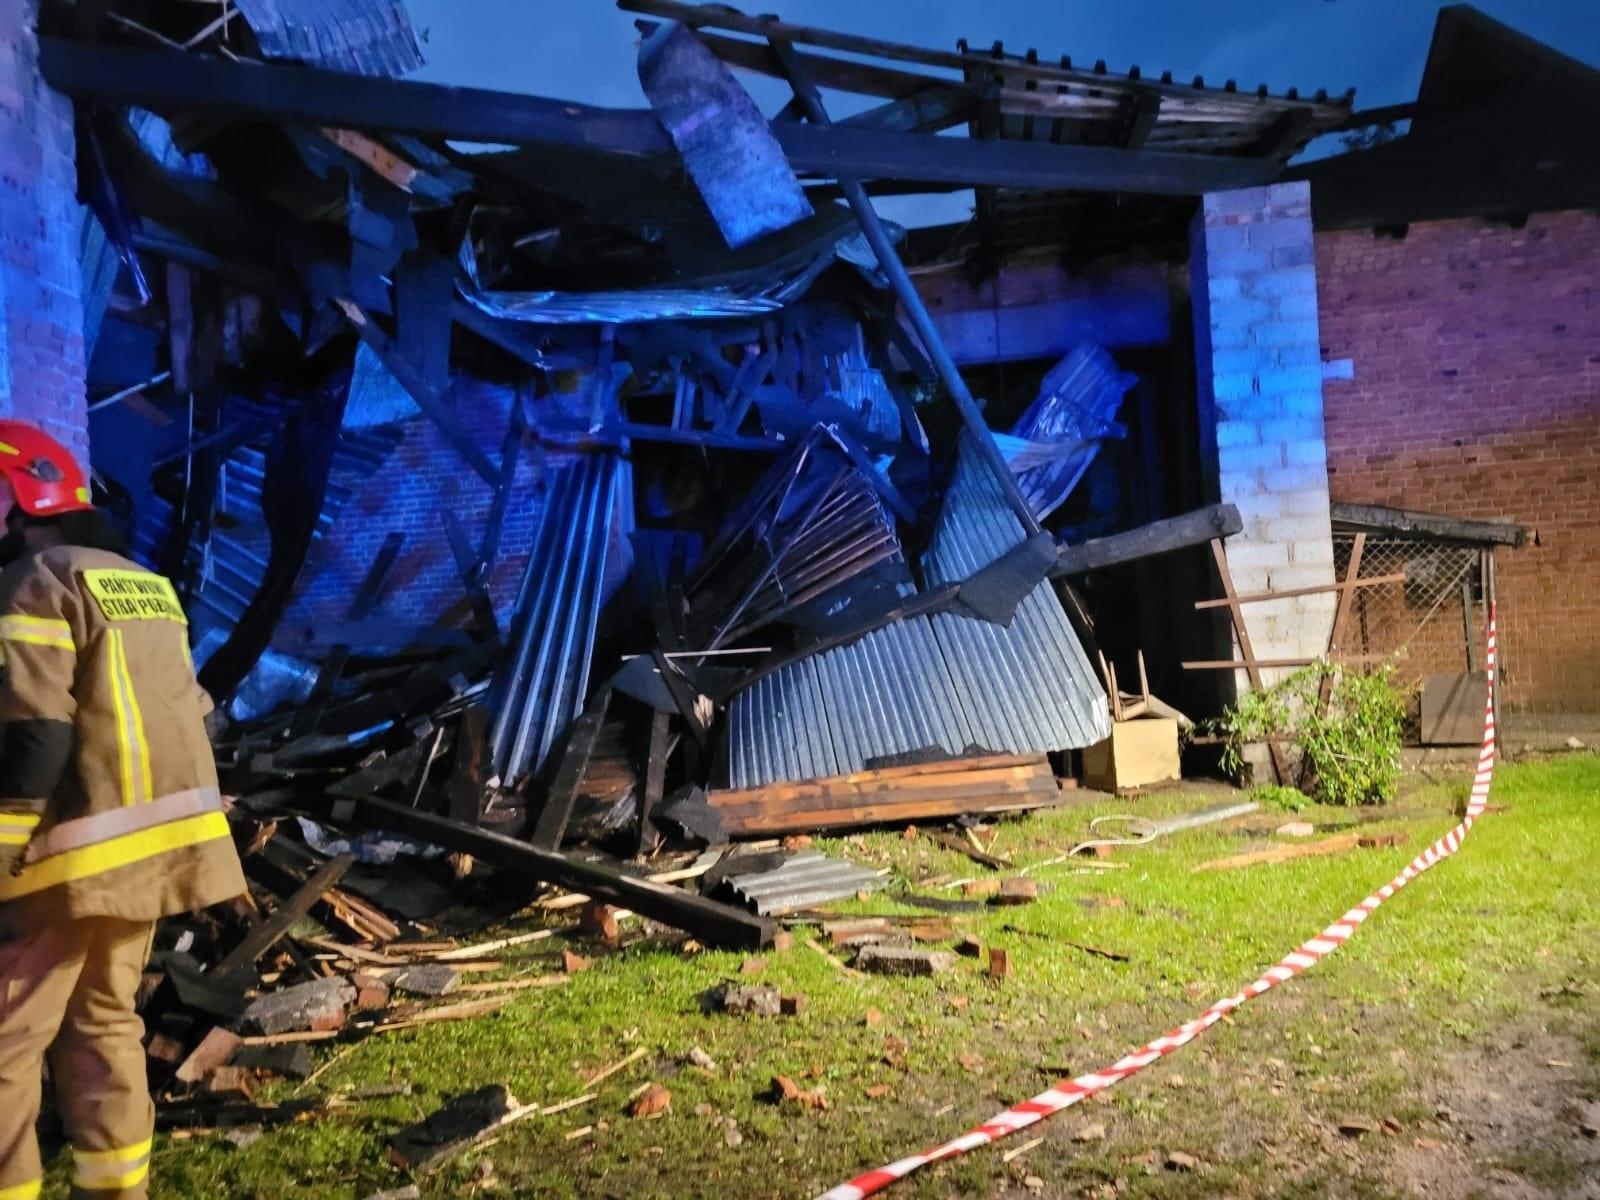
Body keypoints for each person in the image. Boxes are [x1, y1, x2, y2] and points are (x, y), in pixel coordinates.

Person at [0, 420, 245, 1200]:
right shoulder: (138, 582)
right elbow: (189, 708)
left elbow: (33, 737)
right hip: (152, 856)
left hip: (64, 861)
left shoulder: (32, 584)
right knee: (104, 1023)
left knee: (6, 1041)